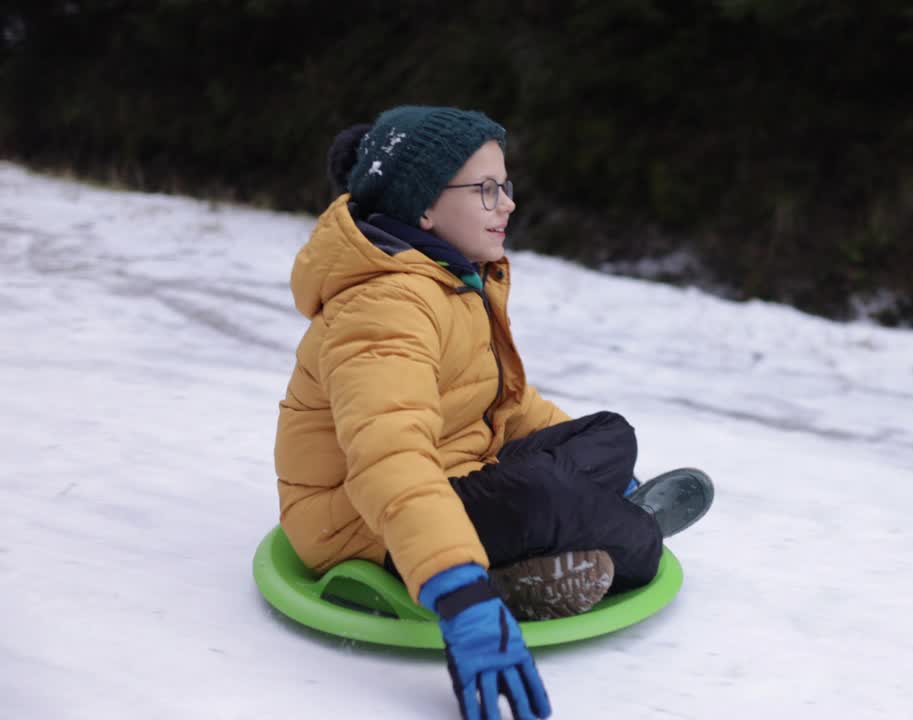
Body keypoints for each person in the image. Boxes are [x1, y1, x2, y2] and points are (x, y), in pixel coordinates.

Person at [273, 105, 714, 720]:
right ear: (424, 206)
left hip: (454, 470)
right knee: (552, 497)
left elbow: (502, 401)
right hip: (362, 517)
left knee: (611, 435)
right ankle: (618, 536)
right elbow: (389, 458)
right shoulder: (384, 305)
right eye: (485, 190)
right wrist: (463, 596)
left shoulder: (449, 276)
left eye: (505, 187)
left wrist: (589, 455)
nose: (507, 204)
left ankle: (581, 525)